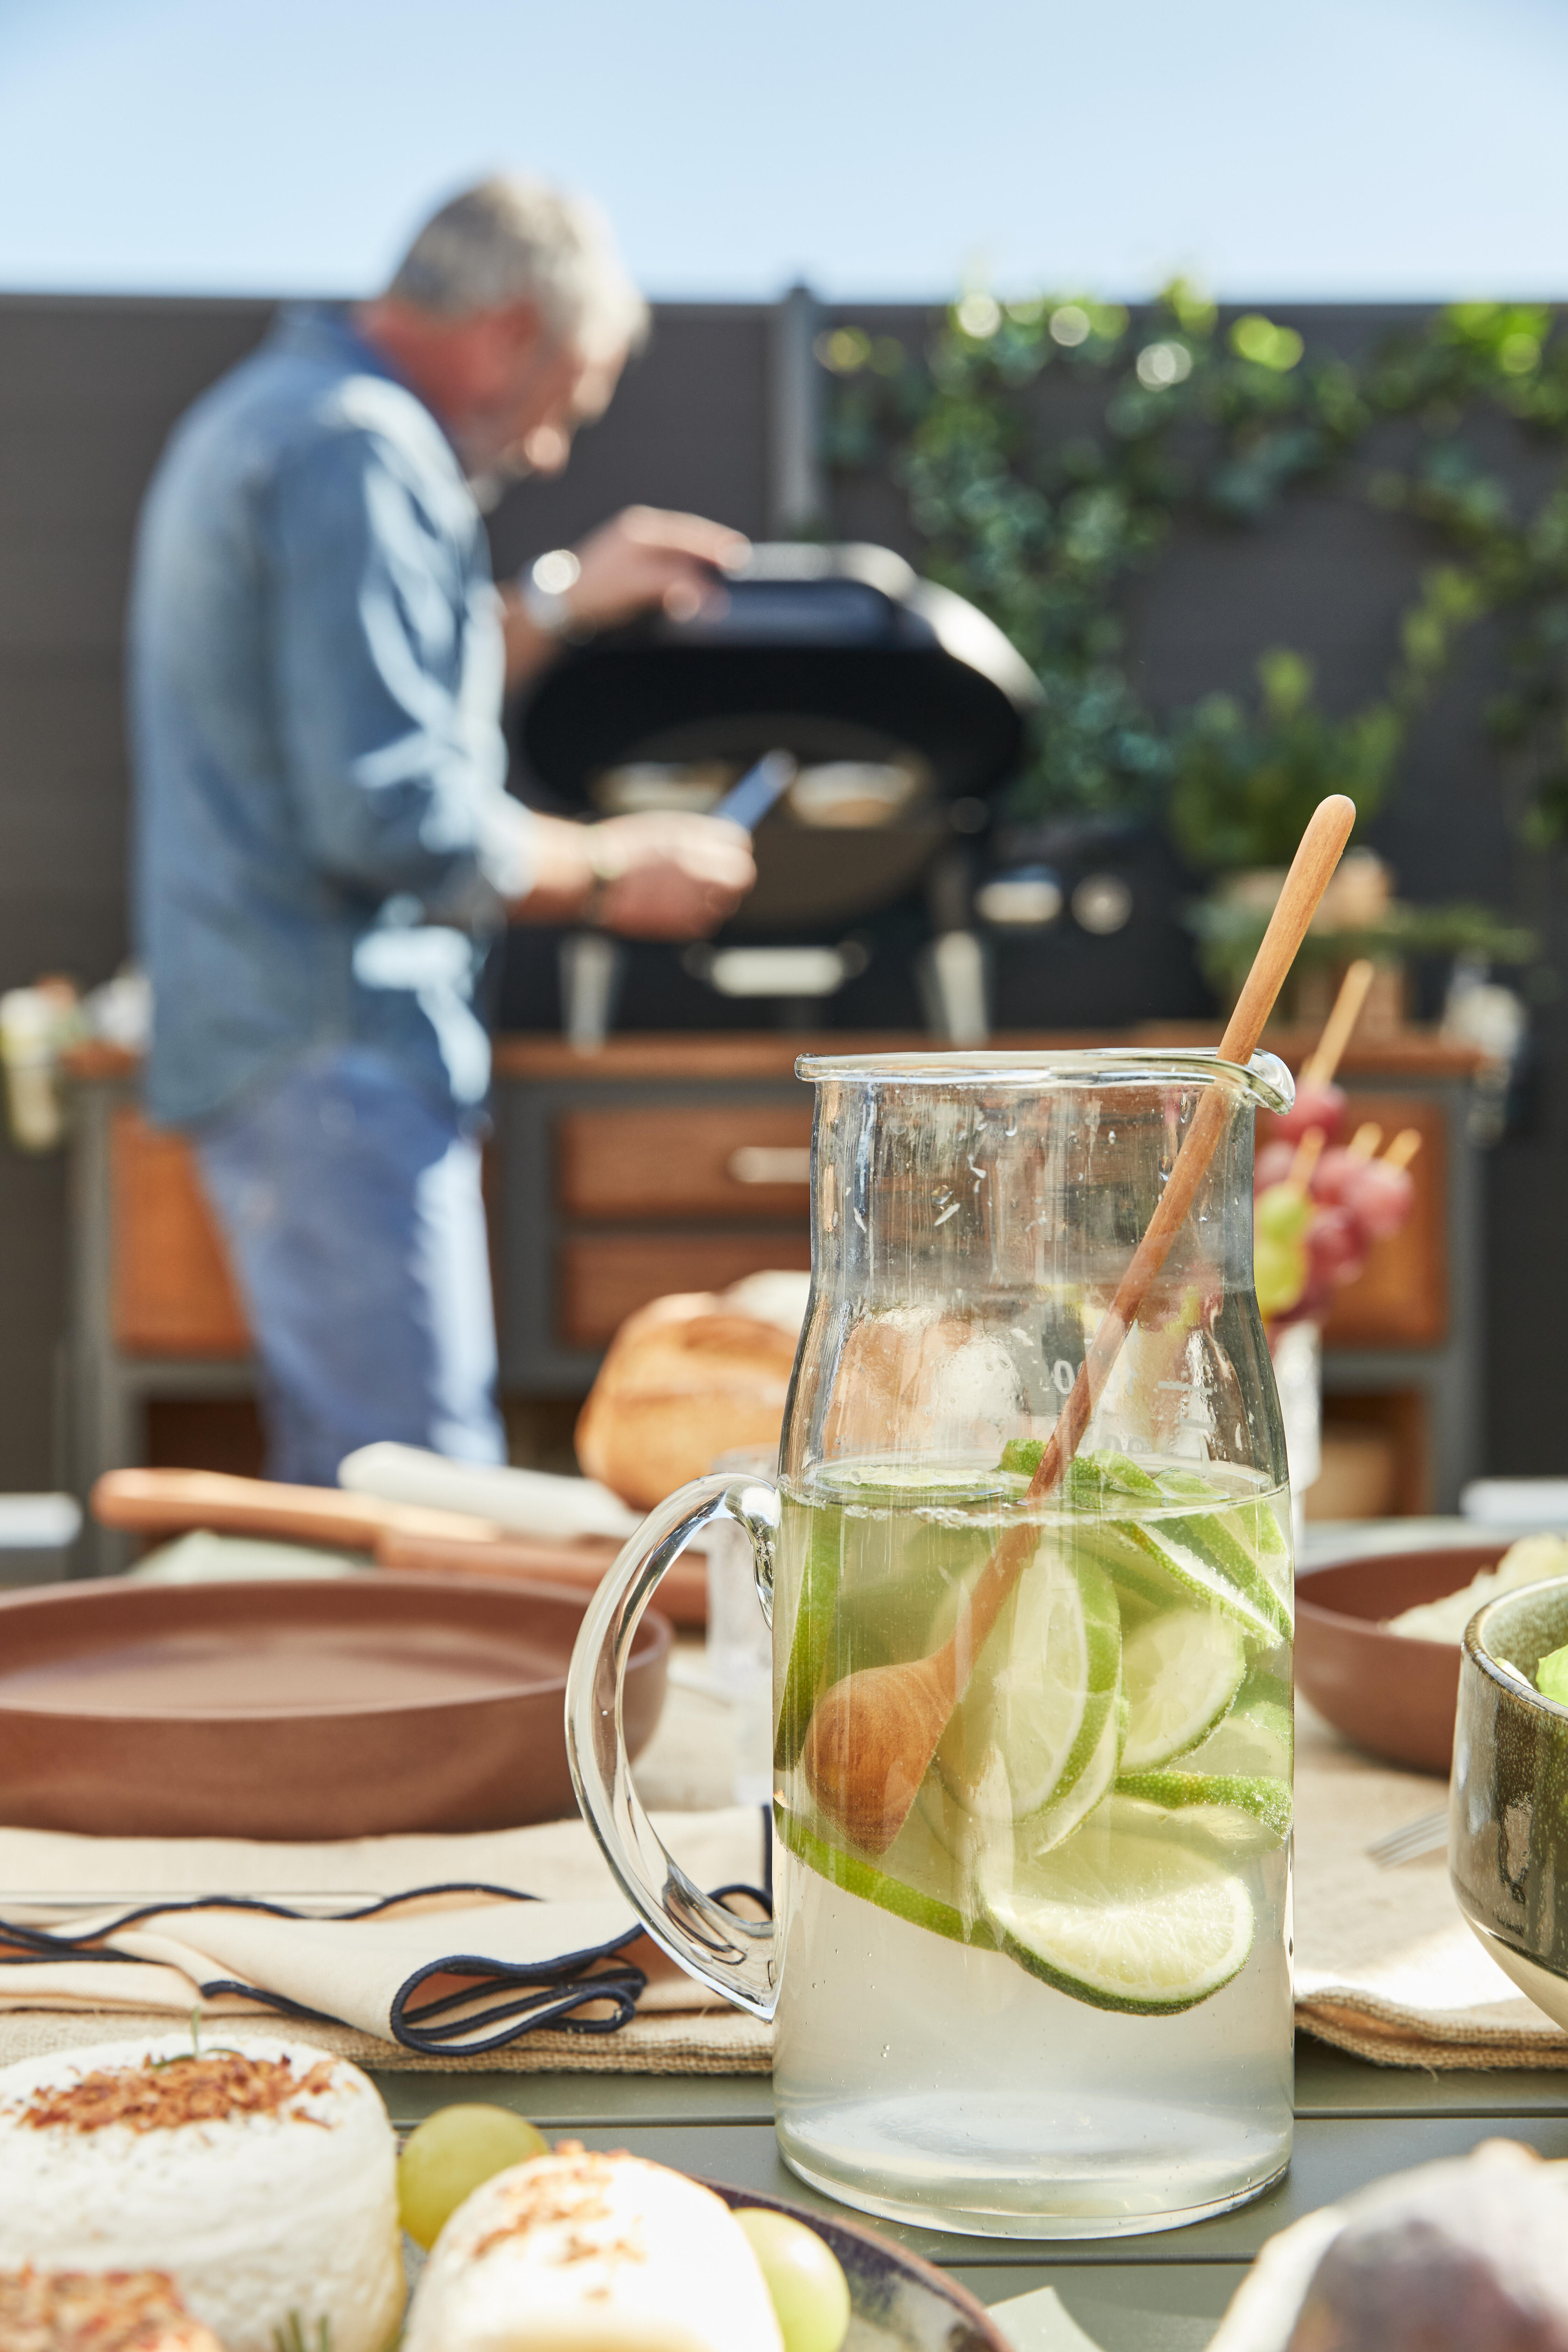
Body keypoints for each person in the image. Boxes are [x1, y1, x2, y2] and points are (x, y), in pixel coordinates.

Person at [129, 176, 756, 1487]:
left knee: (369, 1489)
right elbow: (386, 813)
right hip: (334, 1056)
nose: (550, 450)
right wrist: (609, 864)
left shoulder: (277, 419)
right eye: (571, 399)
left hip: (279, 1043)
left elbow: (366, 688)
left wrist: (569, 595)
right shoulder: (356, 450)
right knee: (418, 1499)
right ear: (510, 329)